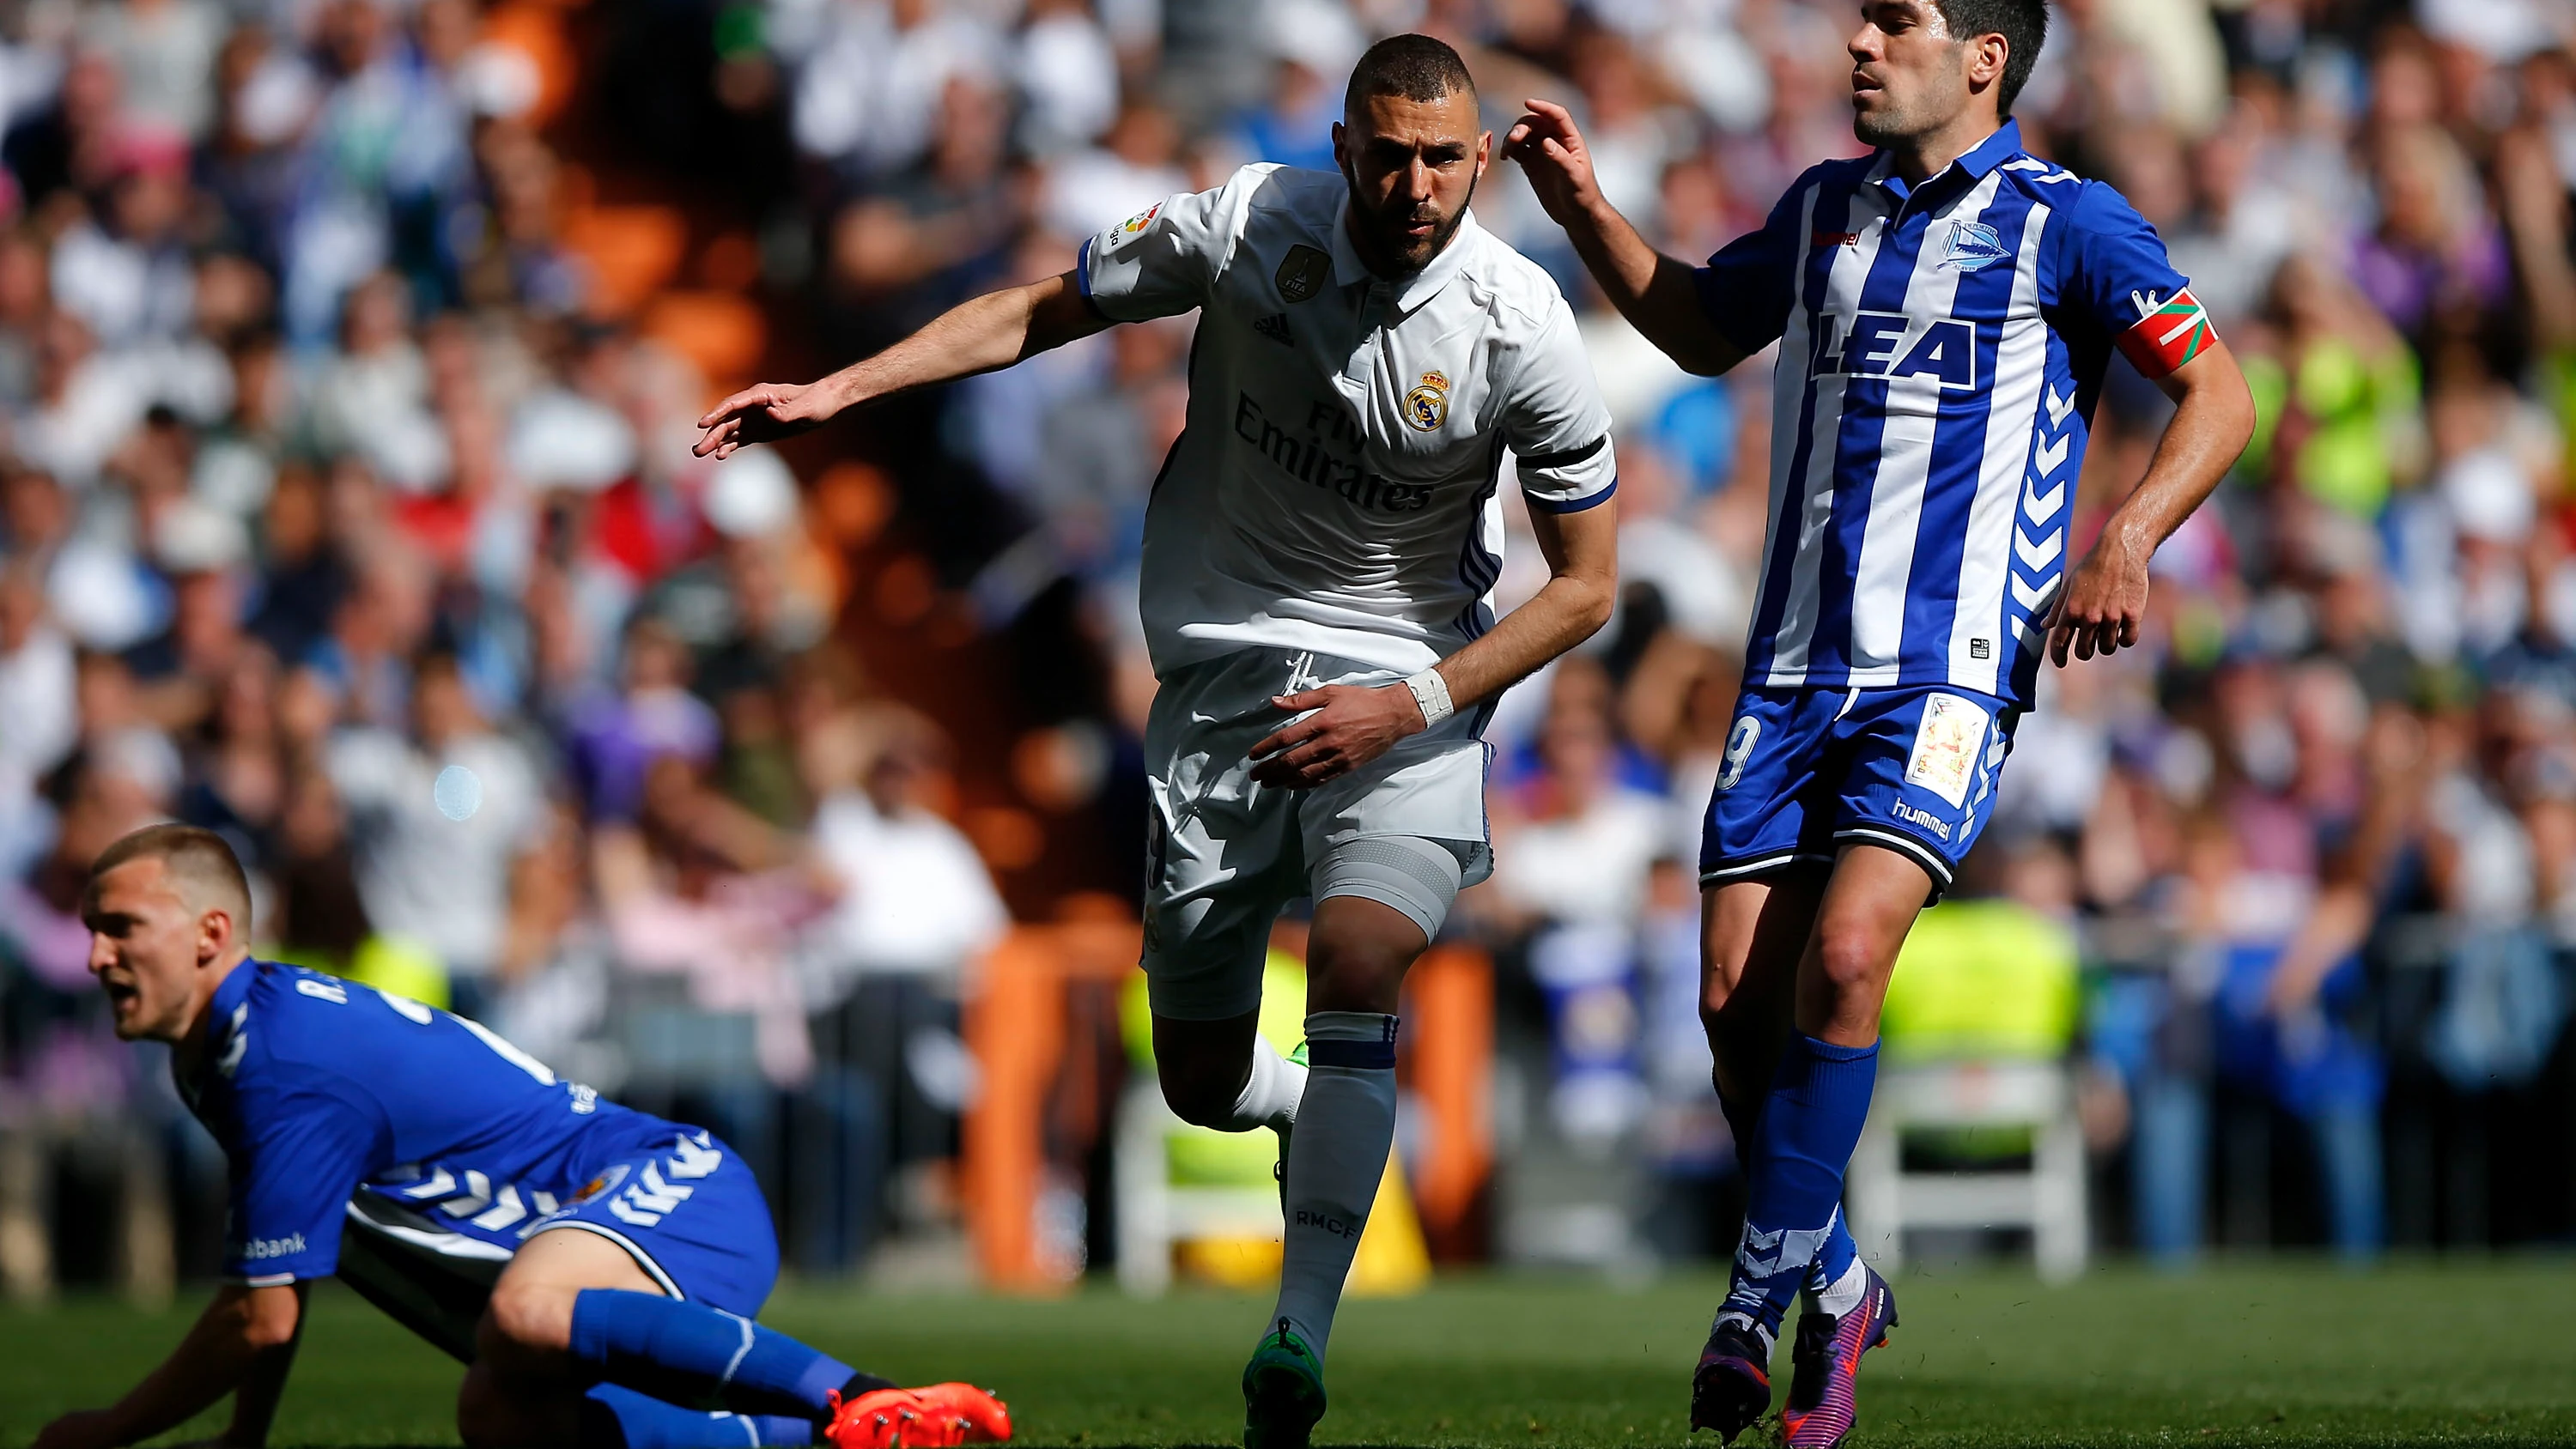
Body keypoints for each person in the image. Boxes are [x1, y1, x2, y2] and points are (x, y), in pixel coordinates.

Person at [698, 33, 1619, 1449]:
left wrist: (1414, 700)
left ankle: (1296, 1336)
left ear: (1481, 160)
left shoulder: (1523, 323)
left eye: (1446, 157)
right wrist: (842, 391)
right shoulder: (1248, 223)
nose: (1419, 182)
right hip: (1220, 688)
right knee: (1198, 1077)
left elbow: (1587, 584)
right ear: (1343, 149)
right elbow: (1040, 308)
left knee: (1364, 954)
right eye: (1391, 154)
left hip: (1405, 690)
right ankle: (1318, 1106)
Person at [1505, 1, 2255, 1444]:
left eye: (1893, 20)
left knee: (1846, 959)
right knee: (1735, 1012)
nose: (1857, 41)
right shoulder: (1822, 208)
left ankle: (1749, 1307)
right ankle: (1840, 1283)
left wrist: (2130, 535)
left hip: (1950, 671)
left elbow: (2219, 392)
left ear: (1982, 56)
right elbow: (1693, 326)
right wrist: (1588, 206)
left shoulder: (2073, 226)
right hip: (1788, 670)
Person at [33, 823, 1010, 1449]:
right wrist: (243, 1438)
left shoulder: (281, 1057)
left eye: (121, 925)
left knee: (526, 1315)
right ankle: (850, 1436)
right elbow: (275, 1282)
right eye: (89, 927)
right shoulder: (224, 1052)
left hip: (671, 1185)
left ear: (209, 933)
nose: (93, 954)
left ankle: (859, 1393)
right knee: (502, 1413)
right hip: (589, 1245)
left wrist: (107, 1429)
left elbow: (261, 1318)